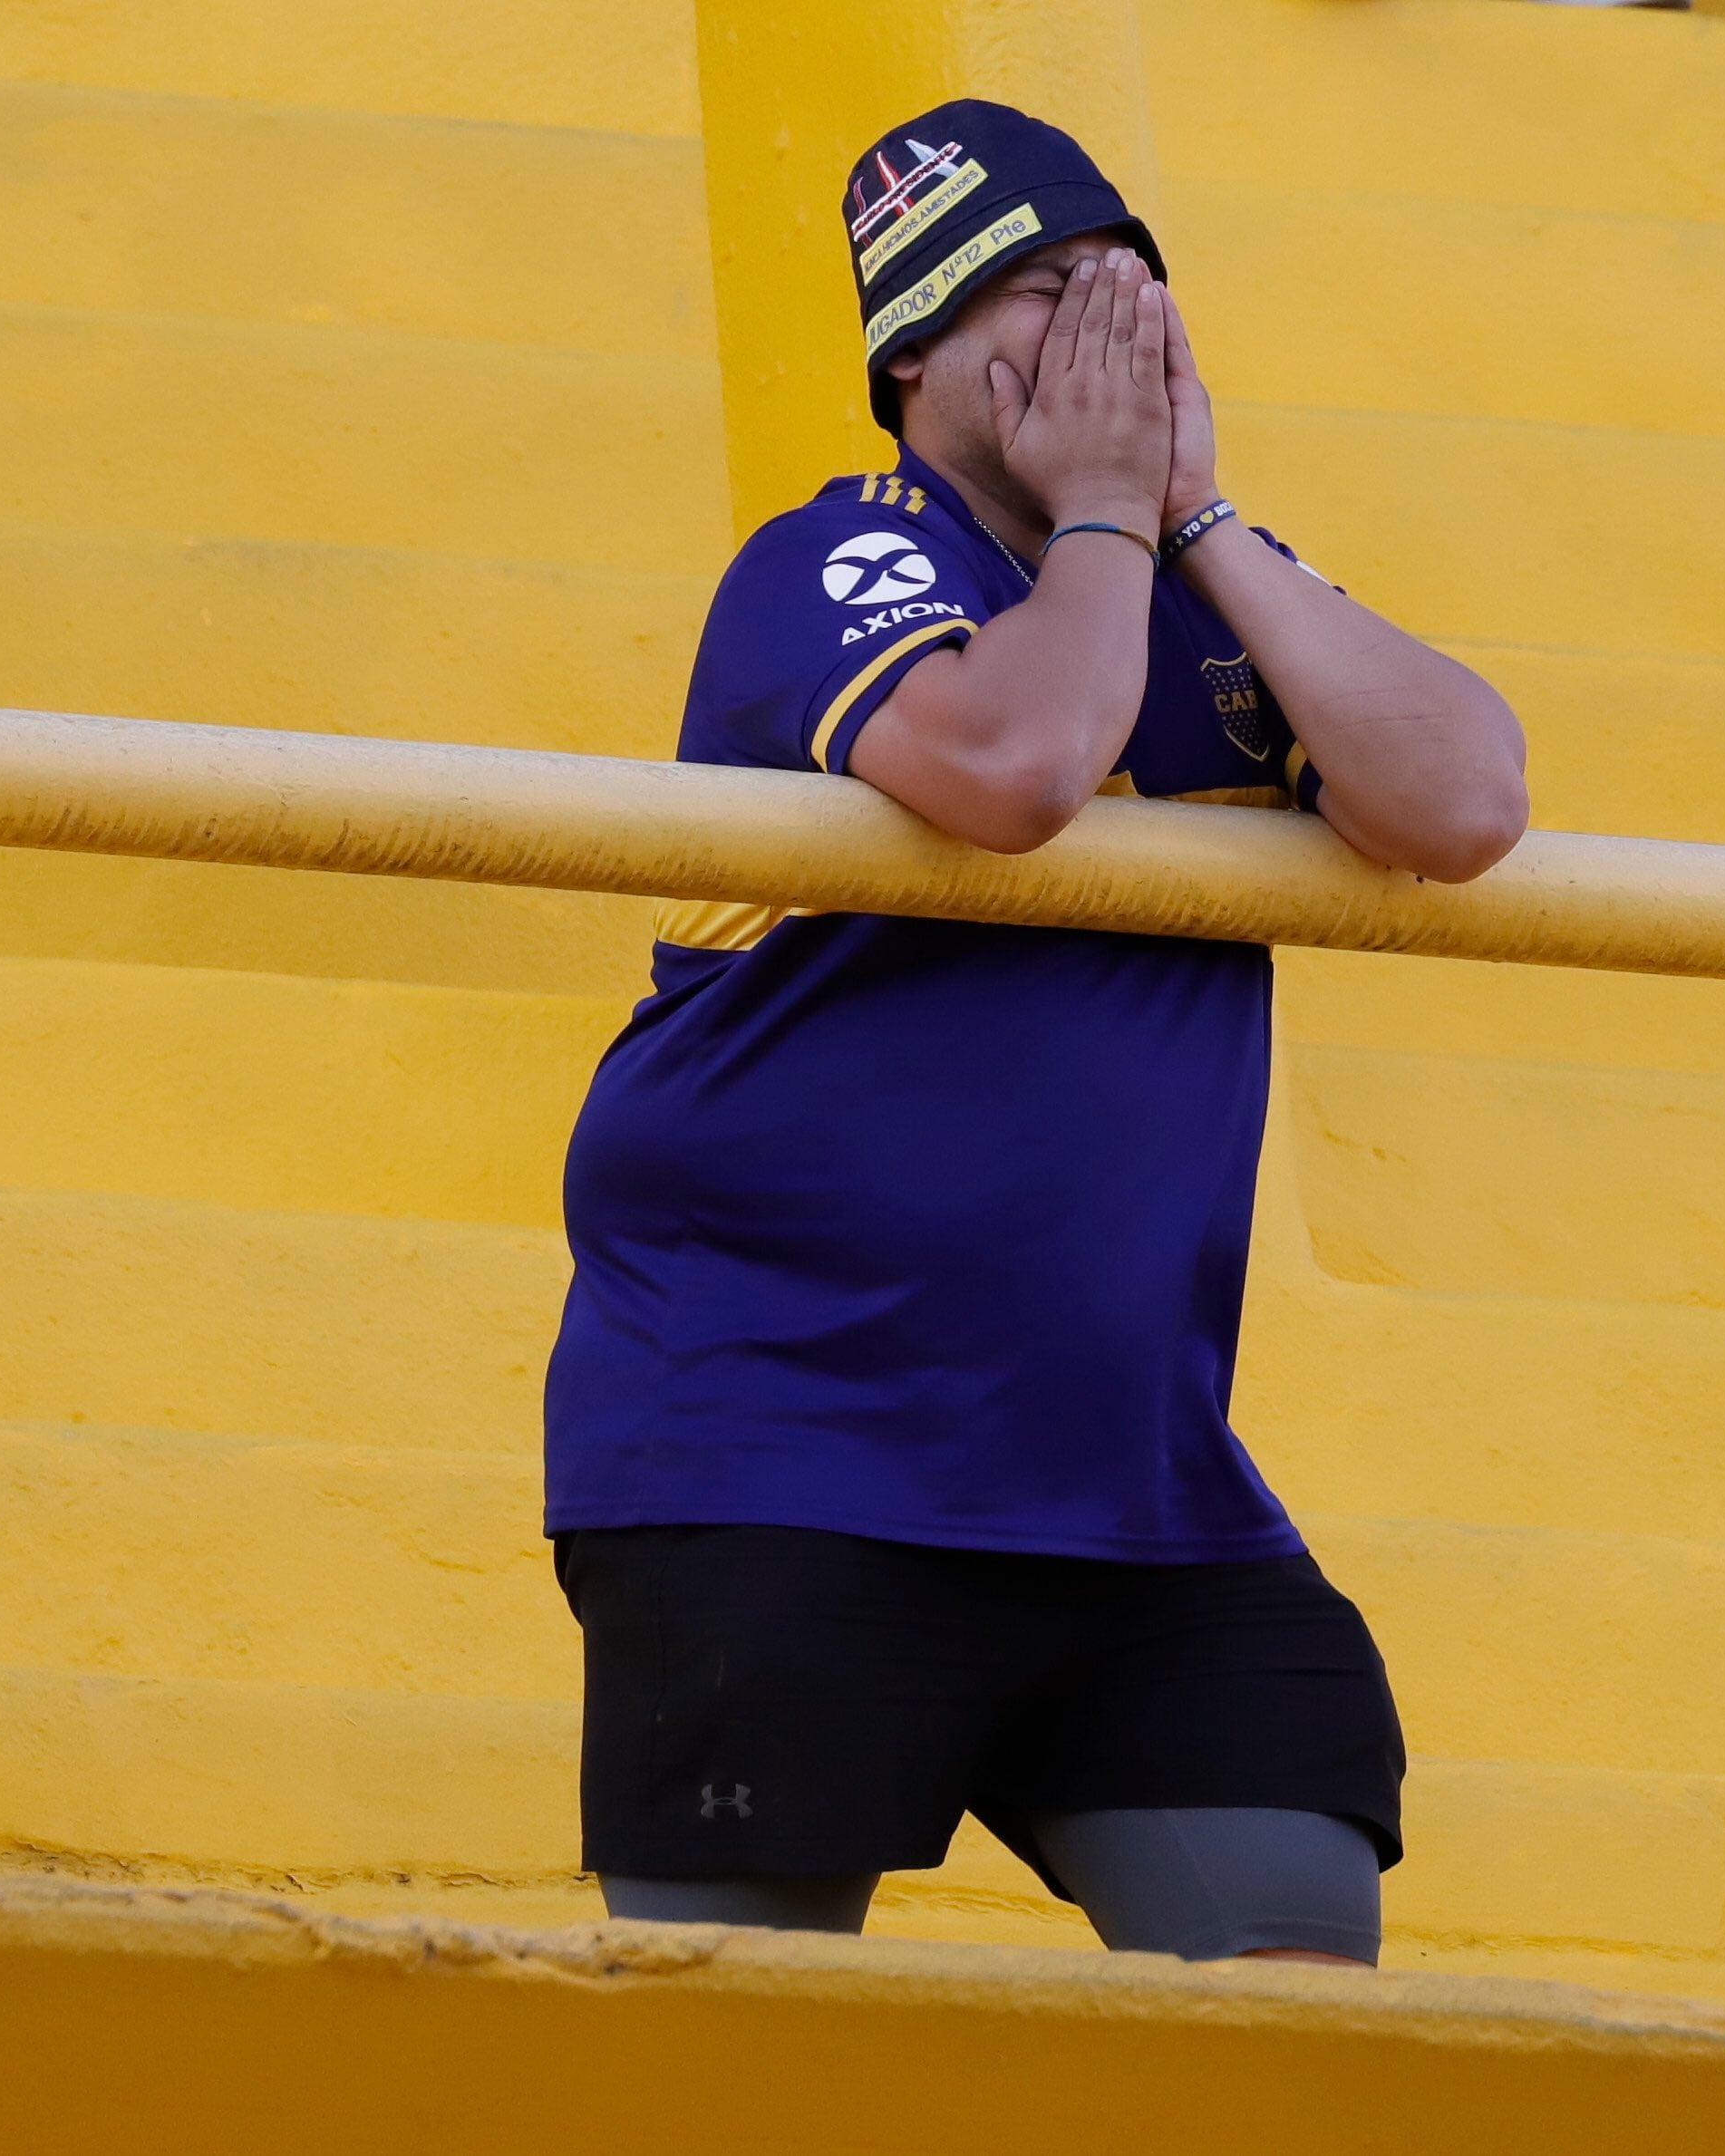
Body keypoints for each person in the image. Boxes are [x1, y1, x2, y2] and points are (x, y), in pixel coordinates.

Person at [540, 101, 1529, 1960]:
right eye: (1047, 300)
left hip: (1134, 1489)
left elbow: (1463, 801)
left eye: (1136, 303)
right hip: (778, 1445)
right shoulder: (836, 557)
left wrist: (1202, 520)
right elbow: (1009, 764)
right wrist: (1096, 512)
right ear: (914, 354)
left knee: (1300, 1965)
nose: (1107, 349)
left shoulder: (1219, 600)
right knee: (725, 2050)